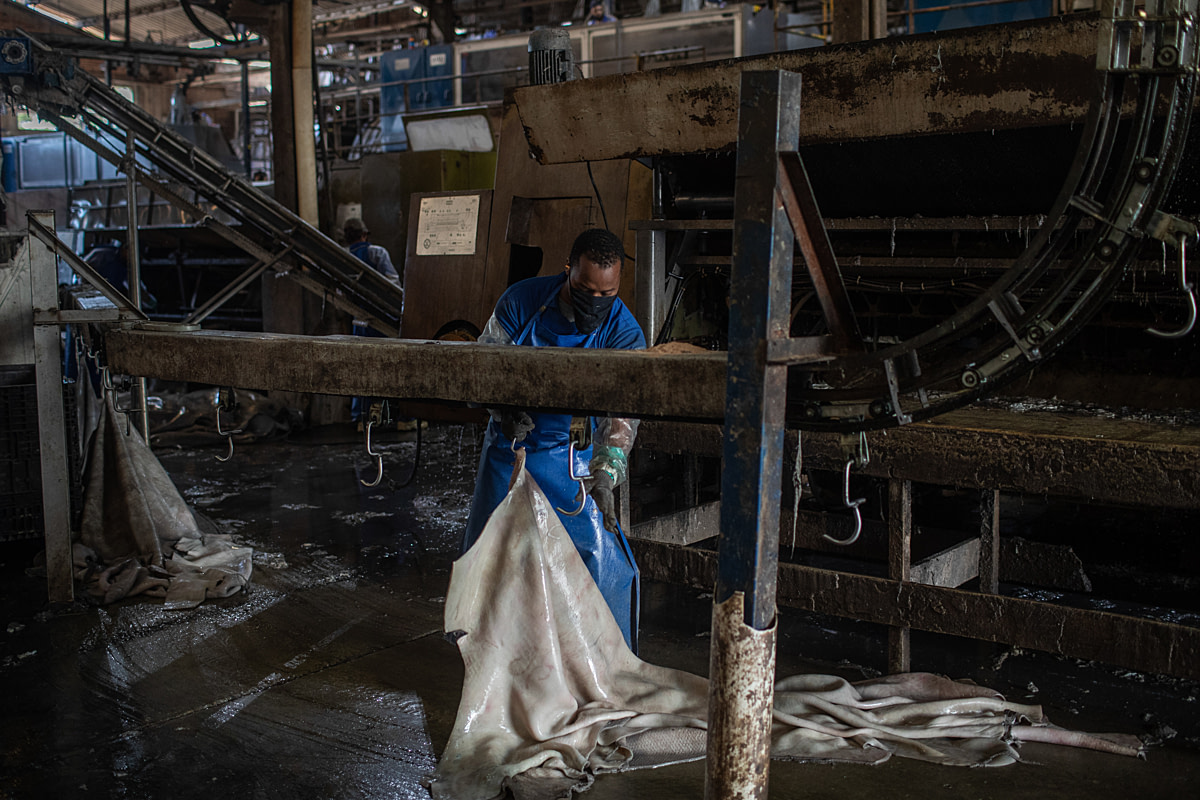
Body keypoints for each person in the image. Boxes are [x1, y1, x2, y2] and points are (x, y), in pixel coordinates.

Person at [463, 228, 645, 650]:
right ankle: (489, 661)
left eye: (608, 294)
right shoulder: (521, 301)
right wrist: (503, 409)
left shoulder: (623, 332)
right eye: (585, 290)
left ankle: (602, 666)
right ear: (568, 270)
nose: (596, 302)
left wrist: (606, 472)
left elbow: (622, 417)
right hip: (507, 452)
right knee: (490, 560)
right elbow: (481, 367)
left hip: (571, 459)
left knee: (601, 564)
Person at [344, 217, 400, 423]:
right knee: (388, 366)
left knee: (360, 367)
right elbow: (393, 284)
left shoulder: (343, 256)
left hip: (359, 321)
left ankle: (360, 417)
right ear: (364, 234)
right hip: (382, 321)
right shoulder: (378, 253)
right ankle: (396, 416)